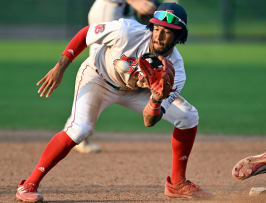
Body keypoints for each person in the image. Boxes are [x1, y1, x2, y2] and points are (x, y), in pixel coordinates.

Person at [16, 3, 211, 202]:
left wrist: (156, 98)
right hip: (98, 79)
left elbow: (149, 121)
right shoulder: (127, 31)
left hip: (136, 92)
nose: (159, 36)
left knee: (188, 116)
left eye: (167, 32)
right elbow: (86, 33)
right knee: (79, 129)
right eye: (157, 29)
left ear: (179, 36)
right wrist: (60, 67)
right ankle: (29, 183)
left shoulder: (176, 70)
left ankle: (177, 183)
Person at [75, 0, 157, 153]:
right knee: (97, 70)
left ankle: (81, 132)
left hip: (122, 11)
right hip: (108, 10)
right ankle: (79, 131)